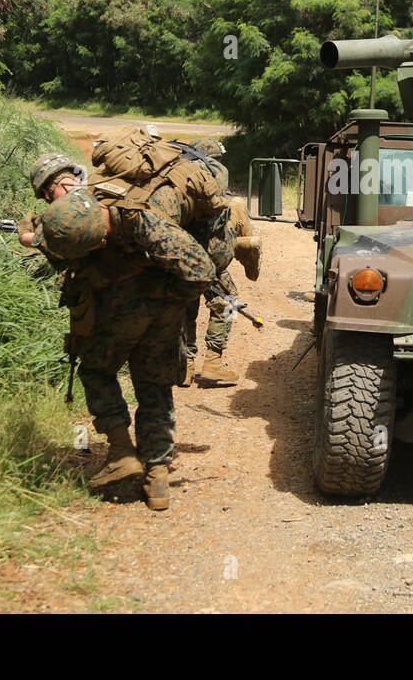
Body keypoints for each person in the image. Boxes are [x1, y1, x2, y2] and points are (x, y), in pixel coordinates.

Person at [23, 160, 225, 511]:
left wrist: (167, 297)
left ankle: (120, 451)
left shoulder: (138, 216)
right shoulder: (90, 207)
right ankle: (157, 475)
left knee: (96, 370)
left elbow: (202, 270)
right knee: (154, 385)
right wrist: (169, 300)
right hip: (161, 315)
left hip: (122, 312)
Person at [175, 138, 261, 387]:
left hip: (185, 260)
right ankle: (213, 362)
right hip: (214, 263)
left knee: (185, 310)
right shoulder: (220, 189)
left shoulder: (182, 184)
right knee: (228, 302)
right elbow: (245, 237)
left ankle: (185, 365)